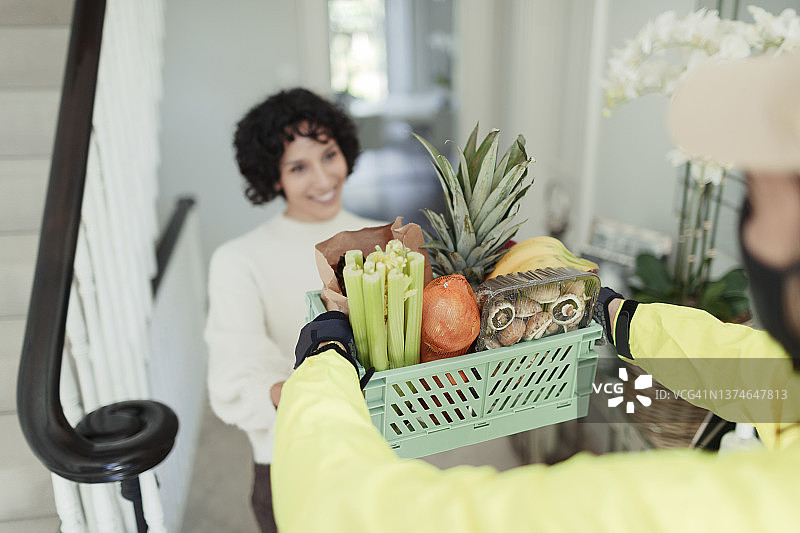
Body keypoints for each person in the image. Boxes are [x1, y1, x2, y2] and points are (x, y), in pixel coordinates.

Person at [271, 54, 800, 531]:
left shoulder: (699, 509)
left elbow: (338, 510)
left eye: (756, 187)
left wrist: (324, 361)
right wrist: (620, 316)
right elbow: (762, 372)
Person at [204, 87, 383, 532]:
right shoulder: (238, 259)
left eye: (329, 155)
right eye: (298, 167)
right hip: (292, 467)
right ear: (273, 177)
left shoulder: (381, 239)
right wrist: (318, 394)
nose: (323, 179)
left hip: (379, 455)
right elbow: (234, 379)